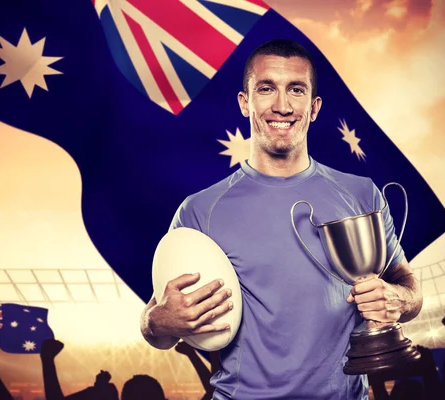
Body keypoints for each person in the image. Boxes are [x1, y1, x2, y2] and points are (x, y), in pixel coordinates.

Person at [139, 39, 423, 399]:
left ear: (314, 107)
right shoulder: (199, 210)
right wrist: (159, 322)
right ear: (245, 102)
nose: (282, 105)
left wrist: (399, 299)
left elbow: (408, 287)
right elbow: (156, 324)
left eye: (296, 90)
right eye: (266, 88)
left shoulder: (362, 195)